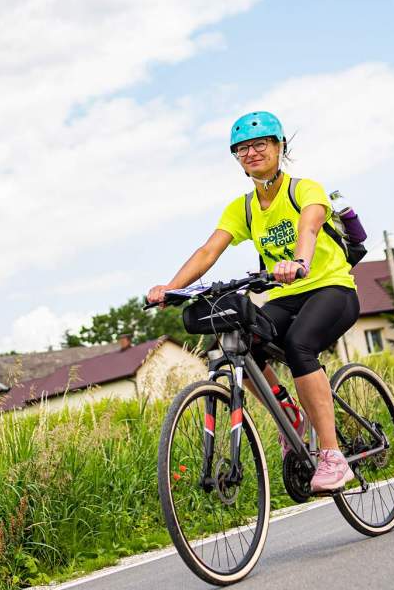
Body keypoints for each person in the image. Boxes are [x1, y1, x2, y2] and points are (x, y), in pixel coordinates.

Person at [147, 110, 360, 492]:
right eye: (242, 149)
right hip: (285, 296)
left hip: (332, 288)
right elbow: (209, 251)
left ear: (280, 146)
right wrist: (171, 287)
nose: (251, 153)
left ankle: (333, 456)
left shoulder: (304, 190)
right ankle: (291, 415)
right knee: (244, 343)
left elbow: (309, 227)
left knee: (298, 345)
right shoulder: (243, 208)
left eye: (260, 144)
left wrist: (299, 262)